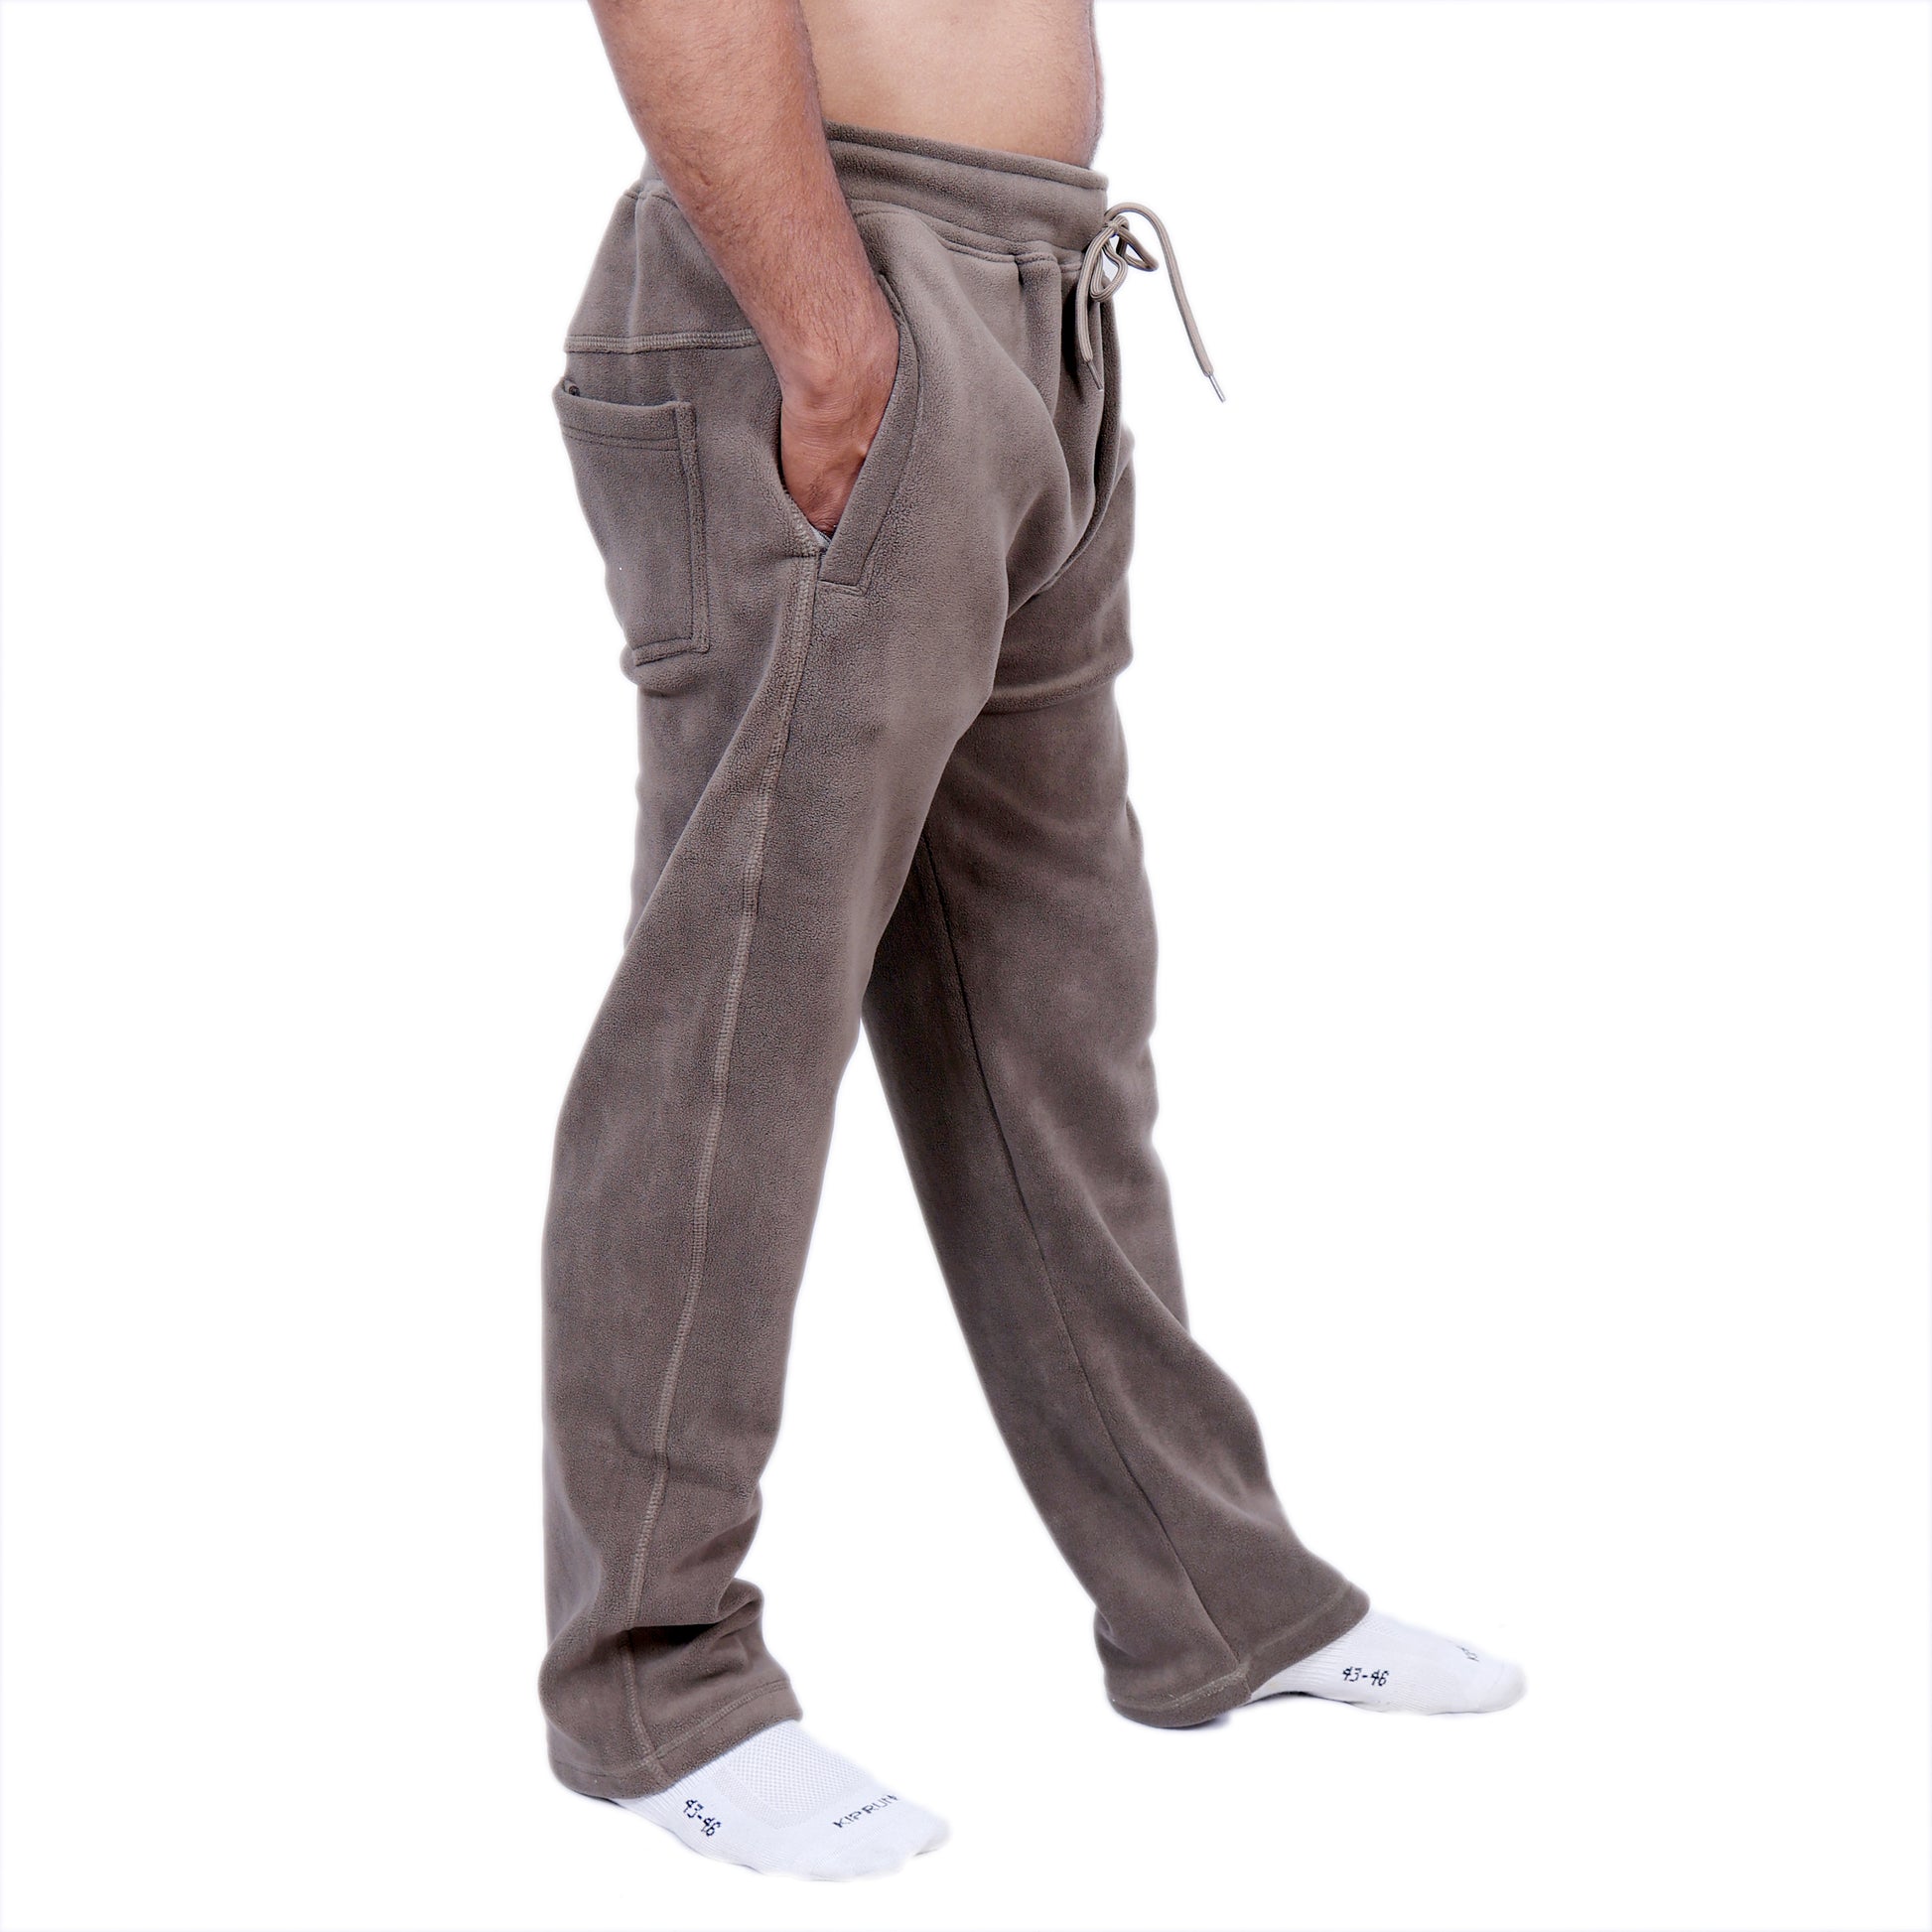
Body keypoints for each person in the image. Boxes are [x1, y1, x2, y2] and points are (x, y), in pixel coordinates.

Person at [539, 0, 1525, 1881]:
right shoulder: (832, 321)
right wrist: (827, 332)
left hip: (1037, 286)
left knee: (1050, 1004)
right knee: (735, 1020)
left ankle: (1204, 1588)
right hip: (833, 285)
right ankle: (650, 1680)